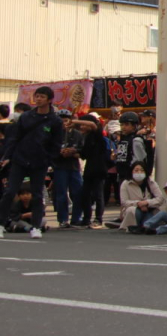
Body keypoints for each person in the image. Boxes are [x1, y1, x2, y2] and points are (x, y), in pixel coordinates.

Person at [0, 86, 63, 240]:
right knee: (9, 192)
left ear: (49, 100)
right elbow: (14, 138)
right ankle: (1, 225)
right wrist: (7, 156)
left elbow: (56, 143)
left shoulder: (55, 121)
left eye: (42, 96)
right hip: (20, 159)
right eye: (37, 96)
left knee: (37, 195)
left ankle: (36, 227)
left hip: (39, 162)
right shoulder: (26, 117)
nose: (38, 99)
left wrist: (49, 160)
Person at [72, 115, 110, 228]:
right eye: (81, 125)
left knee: (98, 195)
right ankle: (86, 218)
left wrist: (73, 121)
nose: (82, 127)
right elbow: (83, 154)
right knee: (86, 194)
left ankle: (98, 219)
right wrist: (69, 152)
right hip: (89, 169)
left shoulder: (97, 134)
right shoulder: (85, 137)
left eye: (84, 124)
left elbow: (93, 125)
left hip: (99, 168)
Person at [51, 111, 85, 229]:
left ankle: (76, 218)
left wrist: (73, 152)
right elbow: (49, 150)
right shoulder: (54, 134)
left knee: (78, 192)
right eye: (61, 120)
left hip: (74, 167)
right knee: (61, 194)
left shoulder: (77, 134)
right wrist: (59, 152)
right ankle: (63, 219)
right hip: (60, 167)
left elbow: (82, 150)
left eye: (66, 120)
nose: (64, 123)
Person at [115, 161, 165, 233]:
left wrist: (147, 203)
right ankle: (132, 226)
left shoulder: (151, 182)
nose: (139, 172)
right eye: (136, 170)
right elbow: (124, 202)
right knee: (132, 210)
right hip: (134, 210)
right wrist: (138, 204)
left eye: (142, 170)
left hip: (149, 210)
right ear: (132, 171)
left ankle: (144, 226)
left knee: (148, 223)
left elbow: (160, 198)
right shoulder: (126, 183)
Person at [112, 112, 148, 184]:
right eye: (122, 125)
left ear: (134, 126)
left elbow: (138, 159)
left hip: (131, 177)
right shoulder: (123, 139)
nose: (123, 127)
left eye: (126, 124)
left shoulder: (136, 140)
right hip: (121, 174)